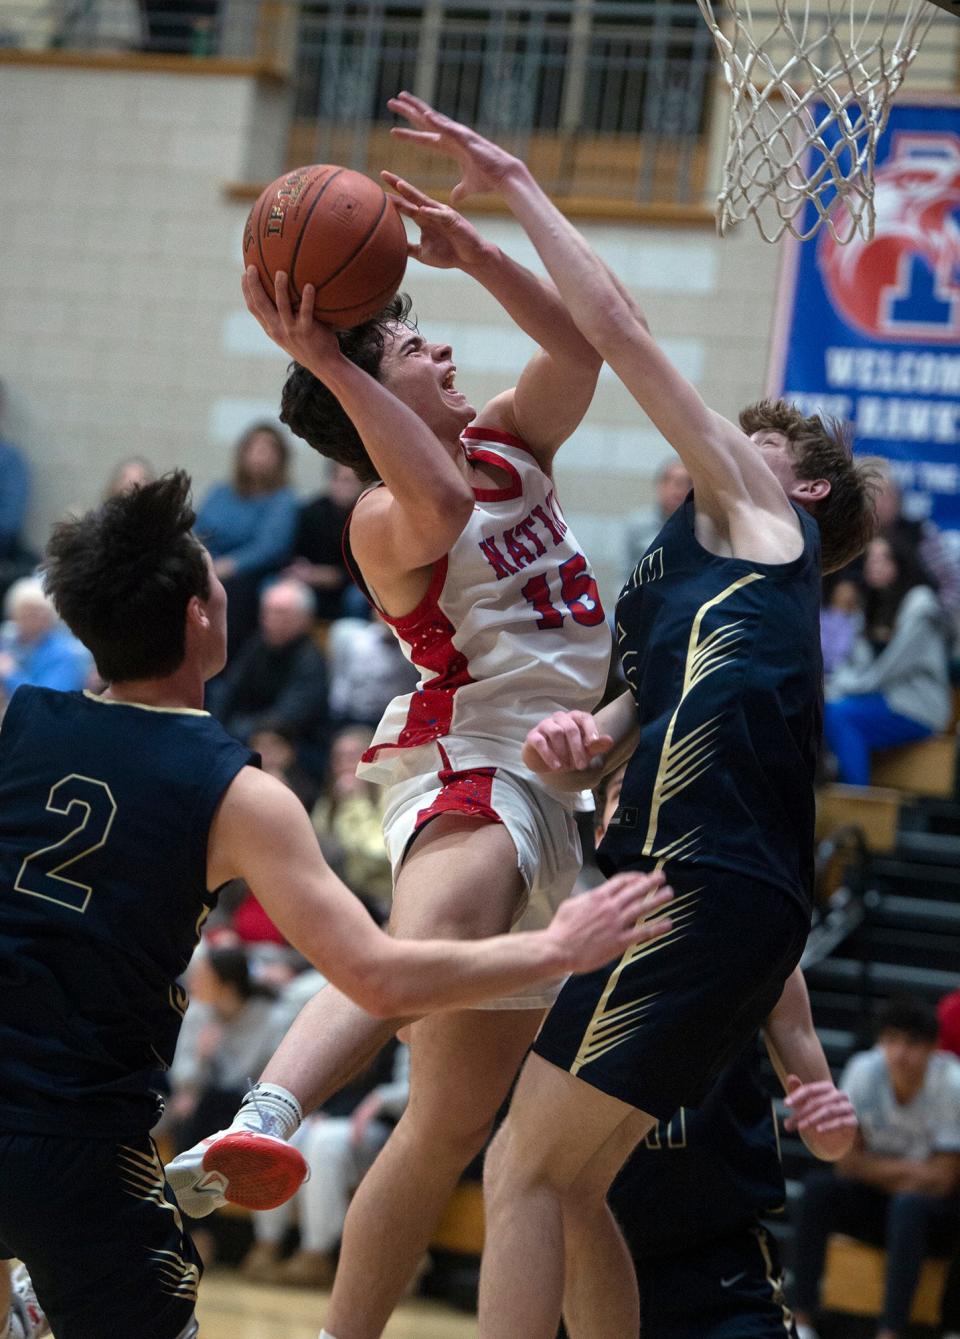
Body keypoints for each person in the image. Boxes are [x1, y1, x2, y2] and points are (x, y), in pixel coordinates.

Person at [376, 93, 880, 1339]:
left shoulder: (770, 535)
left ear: (803, 490)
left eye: (746, 438)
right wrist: (584, 740)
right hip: (683, 873)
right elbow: (634, 712)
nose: (708, 444)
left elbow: (616, 327)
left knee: (524, 1169)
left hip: (700, 879)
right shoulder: (679, 573)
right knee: (579, 1181)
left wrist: (511, 184)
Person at [0, 471, 668, 1339]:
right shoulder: (235, 790)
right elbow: (378, 975)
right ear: (203, 615)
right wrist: (553, 948)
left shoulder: (19, 721)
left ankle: (42, 1305)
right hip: (78, 1145)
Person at [166, 155, 634, 1339]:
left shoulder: (511, 447)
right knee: (415, 942)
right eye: (414, 350)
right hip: (476, 758)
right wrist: (324, 354)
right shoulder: (385, 516)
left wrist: (475, 249)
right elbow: (428, 495)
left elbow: (582, 346)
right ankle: (268, 1110)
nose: (444, 353)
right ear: (371, 395)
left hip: (558, 787)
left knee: (447, 1133)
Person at [577, 764, 857, 1339]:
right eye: (627, 792)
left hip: (717, 1260)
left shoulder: (758, 941)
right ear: (603, 828)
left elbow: (830, 1138)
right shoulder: (557, 945)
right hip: (584, 1249)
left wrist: (832, 1128)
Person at [792, 996, 960, 1339]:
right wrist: (911, 1173)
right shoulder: (863, 1070)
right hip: (881, 1201)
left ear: (933, 1048)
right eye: (891, 1040)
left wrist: (874, 1168)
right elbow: (846, 1163)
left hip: (931, 1216)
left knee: (910, 1205)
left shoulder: (952, 1083)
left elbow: (944, 1180)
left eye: (912, 1043)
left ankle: (890, 1331)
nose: (899, 1053)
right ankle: (802, 1318)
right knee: (818, 1188)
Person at [242, 1042, 412, 1289]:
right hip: (334, 1118)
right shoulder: (342, 1020)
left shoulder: (404, 1028)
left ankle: (316, 1254)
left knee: (326, 1141)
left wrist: (381, 1098)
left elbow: (414, 1088)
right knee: (280, 1135)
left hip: (382, 1126)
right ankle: (266, 1243)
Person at [825, 534, 951, 785]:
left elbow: (887, 671)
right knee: (822, 709)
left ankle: (856, 800)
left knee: (839, 714)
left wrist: (835, 689)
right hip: (879, 698)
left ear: (900, 562)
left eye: (883, 558)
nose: (875, 564)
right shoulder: (868, 605)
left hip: (916, 704)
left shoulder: (920, 604)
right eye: (871, 558)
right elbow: (853, 662)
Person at [211, 576, 331, 778]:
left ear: (304, 619)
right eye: (267, 612)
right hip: (247, 731)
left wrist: (239, 728)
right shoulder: (257, 646)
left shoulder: (311, 660)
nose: (270, 620)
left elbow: (288, 717)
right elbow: (230, 689)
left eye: (281, 614)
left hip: (299, 748)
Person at [195, 421, 298, 655]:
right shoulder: (221, 491)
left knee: (233, 590)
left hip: (250, 574)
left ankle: (224, 660)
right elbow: (200, 531)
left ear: (280, 458)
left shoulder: (282, 499)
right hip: (211, 564)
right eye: (254, 448)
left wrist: (231, 565)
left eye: (268, 450)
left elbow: (270, 546)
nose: (260, 455)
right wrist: (206, 561)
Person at [287, 462, 367, 622]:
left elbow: (366, 569)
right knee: (276, 589)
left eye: (351, 481)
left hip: (352, 584)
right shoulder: (312, 511)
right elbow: (295, 553)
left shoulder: (368, 514)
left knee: (358, 598)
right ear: (331, 481)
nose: (346, 487)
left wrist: (331, 576)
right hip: (312, 580)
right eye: (341, 480)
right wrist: (302, 568)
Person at [0, 576, 92, 709]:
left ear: (51, 617)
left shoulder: (67, 654)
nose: (31, 620)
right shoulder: (6, 641)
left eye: (38, 613)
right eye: (25, 613)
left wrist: (11, 674)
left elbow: (47, 702)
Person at [624, 457, 692, 573]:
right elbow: (623, 572)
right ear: (660, 486)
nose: (680, 491)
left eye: (687, 484)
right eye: (677, 483)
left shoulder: (701, 528)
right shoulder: (636, 524)